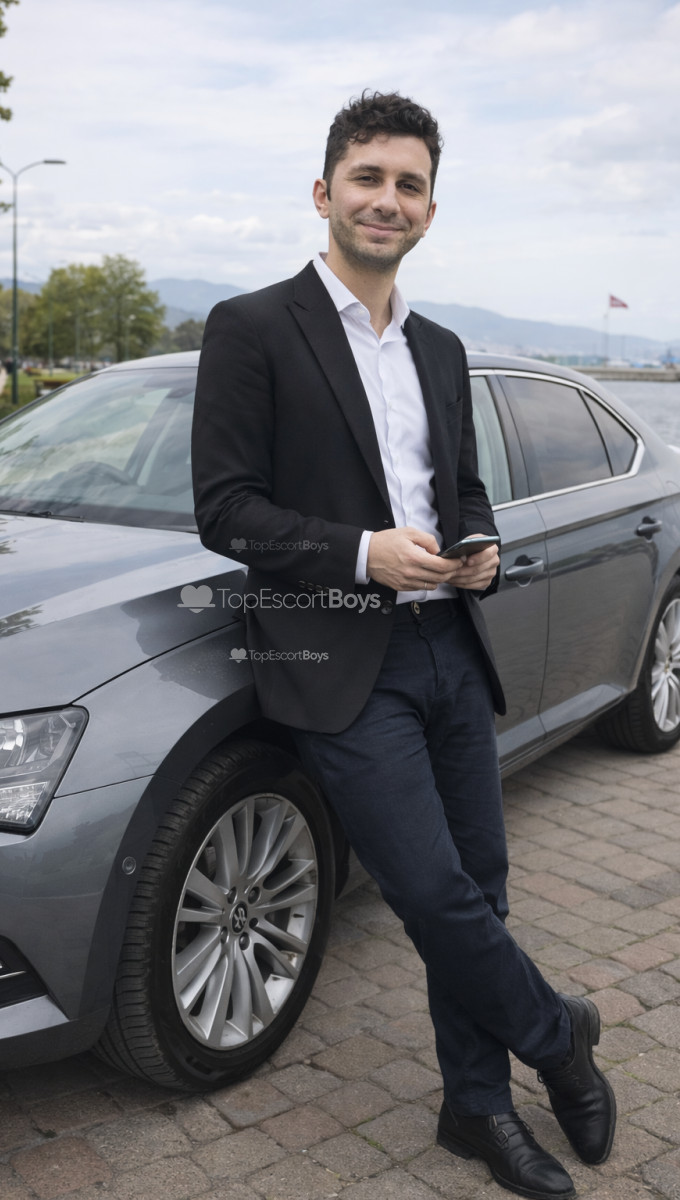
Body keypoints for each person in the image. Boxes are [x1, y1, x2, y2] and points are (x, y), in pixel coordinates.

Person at [191, 91, 615, 1200]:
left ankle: (474, 1107)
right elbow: (224, 511)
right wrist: (359, 553)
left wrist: (476, 547)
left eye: (410, 184)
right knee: (428, 890)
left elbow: (459, 489)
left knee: (479, 885)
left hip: (449, 645)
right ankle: (559, 1036)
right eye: (369, 178)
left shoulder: (440, 345)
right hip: (338, 659)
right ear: (323, 192)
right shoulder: (250, 327)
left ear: (430, 207)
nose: (389, 200)